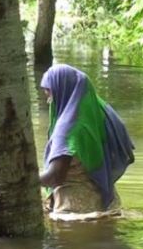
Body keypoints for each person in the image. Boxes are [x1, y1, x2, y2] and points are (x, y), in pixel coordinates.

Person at [39, 64, 135, 217]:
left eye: (50, 94)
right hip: (108, 204)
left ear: (62, 91)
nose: (49, 101)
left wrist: (24, 179)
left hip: (74, 211)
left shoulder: (67, 130)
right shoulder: (101, 113)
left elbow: (55, 177)